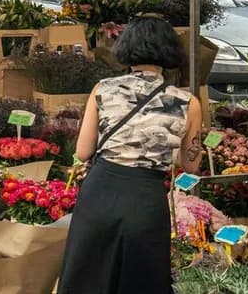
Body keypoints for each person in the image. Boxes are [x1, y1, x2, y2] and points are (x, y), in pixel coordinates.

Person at [58, 16, 203, 293]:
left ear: (126, 47)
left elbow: (83, 151)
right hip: (144, 201)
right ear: (169, 50)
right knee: (141, 280)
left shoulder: (103, 90)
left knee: (87, 277)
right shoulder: (187, 103)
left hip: (98, 195)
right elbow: (190, 164)